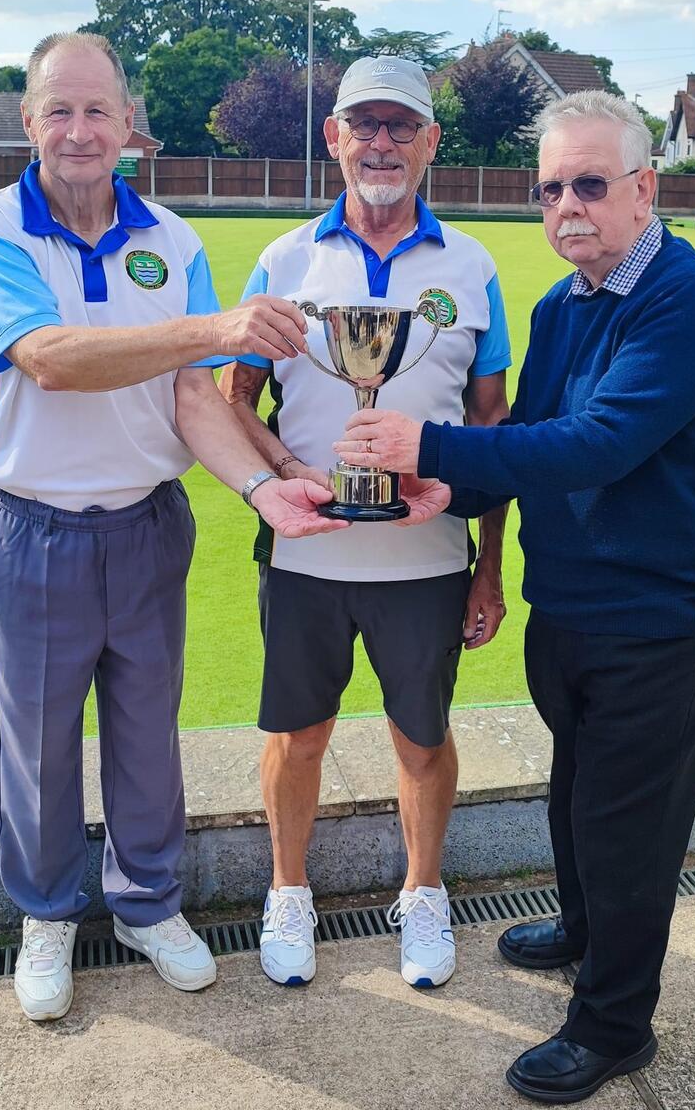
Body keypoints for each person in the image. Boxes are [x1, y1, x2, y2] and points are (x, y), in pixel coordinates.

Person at [334, 89, 695, 1103]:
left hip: (655, 621)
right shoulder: (564, 305)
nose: (568, 206)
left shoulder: (691, 297)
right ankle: (580, 929)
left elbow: (601, 439)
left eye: (592, 184)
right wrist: (440, 491)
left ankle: (614, 1024)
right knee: (575, 801)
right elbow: (529, 437)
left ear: (645, 189)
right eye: (552, 187)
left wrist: (425, 442)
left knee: (629, 829)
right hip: (567, 610)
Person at [0, 31, 344, 1022]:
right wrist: (214, 331)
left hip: (146, 523)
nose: (80, 131)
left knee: (144, 733)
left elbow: (194, 402)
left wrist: (262, 489)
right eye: (59, 110)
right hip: (33, 525)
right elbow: (49, 358)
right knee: (37, 739)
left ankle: (145, 903)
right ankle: (47, 914)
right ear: (29, 121)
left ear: (130, 122)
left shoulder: (171, 238)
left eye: (98, 110)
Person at [218, 56, 511, 990]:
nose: (381, 142)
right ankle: (288, 893)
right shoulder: (285, 261)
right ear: (333, 137)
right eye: (364, 125)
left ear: (430, 143)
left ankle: (424, 894)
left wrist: (488, 566)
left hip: (429, 556)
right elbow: (232, 405)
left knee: (422, 738)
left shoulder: (472, 266)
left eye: (401, 127)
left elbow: (496, 429)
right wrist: (286, 474)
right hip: (308, 555)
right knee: (298, 735)